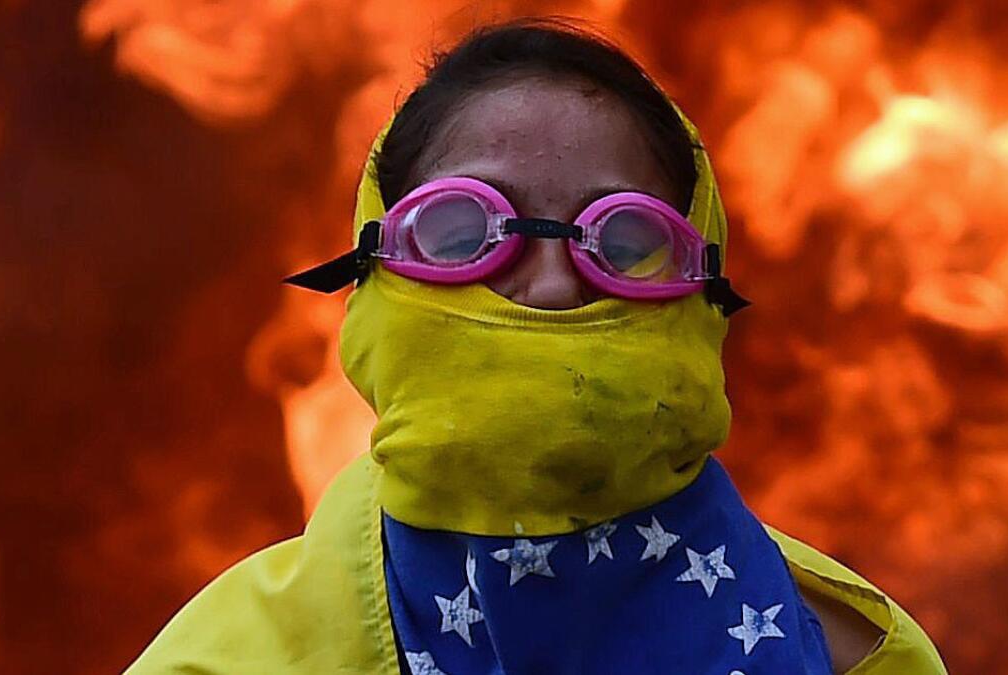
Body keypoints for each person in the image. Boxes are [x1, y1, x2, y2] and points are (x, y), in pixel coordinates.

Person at [127, 19, 947, 675]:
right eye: (462, 233)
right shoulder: (225, 660)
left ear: (705, 293)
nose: (553, 285)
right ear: (375, 274)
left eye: (624, 244)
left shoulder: (850, 652)